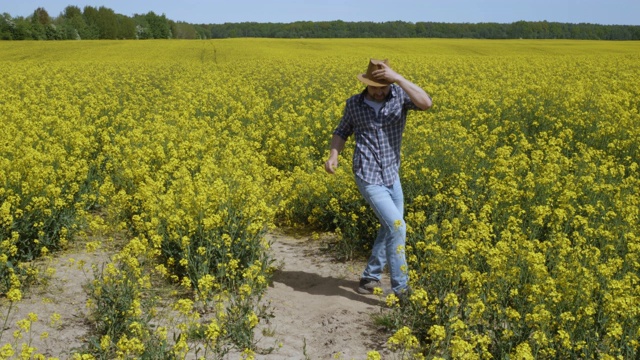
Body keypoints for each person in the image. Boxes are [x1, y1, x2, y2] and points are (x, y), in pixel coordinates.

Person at [324, 58, 432, 299]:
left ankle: (370, 277)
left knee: (390, 227)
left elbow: (426, 104)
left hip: (392, 175)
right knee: (397, 226)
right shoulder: (354, 104)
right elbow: (342, 130)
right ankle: (402, 289)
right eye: (374, 87)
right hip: (368, 174)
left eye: (383, 86)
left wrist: (400, 79)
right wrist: (334, 155)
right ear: (366, 84)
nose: (379, 91)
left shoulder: (399, 97)